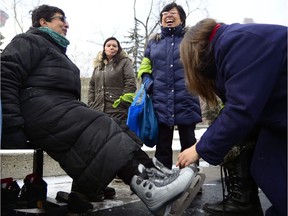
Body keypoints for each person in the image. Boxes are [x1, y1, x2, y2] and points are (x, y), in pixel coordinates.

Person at [0, 4, 197, 215]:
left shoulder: (56, 50)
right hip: (38, 109)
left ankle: (152, 175)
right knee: (101, 125)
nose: (66, 24)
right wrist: (12, 124)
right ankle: (147, 189)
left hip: (56, 107)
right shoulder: (28, 41)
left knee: (116, 124)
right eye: (61, 19)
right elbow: (5, 74)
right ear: (43, 22)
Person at [177, 18, 287, 216]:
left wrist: (200, 148)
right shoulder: (230, 45)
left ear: (195, 53)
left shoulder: (237, 44)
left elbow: (240, 109)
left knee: (271, 168)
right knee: (266, 163)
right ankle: (245, 203)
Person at [137, 2, 202, 169]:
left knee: (188, 141)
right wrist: (149, 83)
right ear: (161, 21)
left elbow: (201, 64)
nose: (168, 16)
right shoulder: (153, 43)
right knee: (163, 144)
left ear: (182, 19)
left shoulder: (191, 40)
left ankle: (190, 177)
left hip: (186, 97)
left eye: (172, 13)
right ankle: (163, 177)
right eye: (164, 14)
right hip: (161, 100)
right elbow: (144, 68)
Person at [88, 37, 136, 122]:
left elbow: (130, 82)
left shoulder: (124, 62)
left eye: (114, 46)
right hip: (97, 111)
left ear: (118, 49)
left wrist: (122, 102)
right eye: (108, 45)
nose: (111, 47)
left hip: (117, 111)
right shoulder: (98, 66)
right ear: (104, 49)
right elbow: (92, 86)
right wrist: (91, 104)